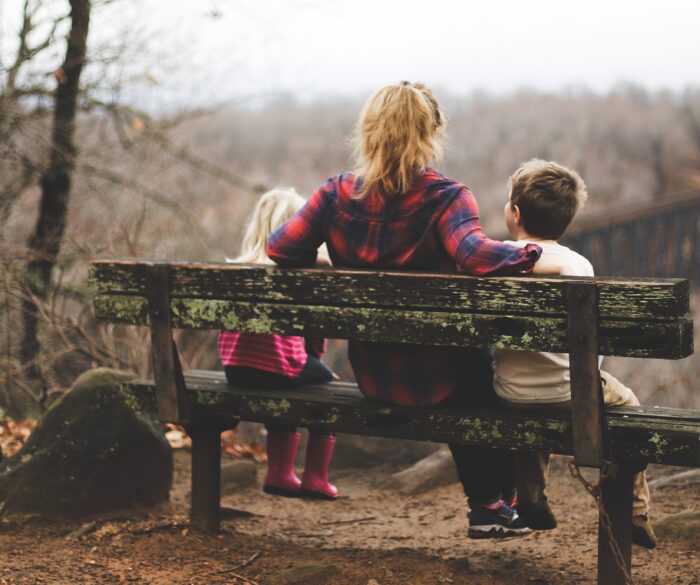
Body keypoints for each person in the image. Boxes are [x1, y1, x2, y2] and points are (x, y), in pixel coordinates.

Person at [268, 81, 543, 538]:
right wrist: (530, 253)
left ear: (368, 131)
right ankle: (493, 503)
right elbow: (474, 255)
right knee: (482, 371)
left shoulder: (334, 195)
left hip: (375, 376)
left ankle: (495, 504)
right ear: (432, 133)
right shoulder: (446, 197)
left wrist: (324, 260)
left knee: (470, 368)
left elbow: (280, 249)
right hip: (444, 379)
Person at [493, 159, 657, 548]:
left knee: (532, 399)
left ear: (514, 213)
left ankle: (530, 496)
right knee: (628, 404)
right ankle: (636, 509)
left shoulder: (495, 259)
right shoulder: (578, 265)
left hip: (510, 393)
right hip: (573, 392)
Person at [219, 188, 339, 500]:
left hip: (236, 370)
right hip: (278, 368)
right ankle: (315, 478)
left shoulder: (237, 270)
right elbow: (313, 334)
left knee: (286, 380)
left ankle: (280, 473)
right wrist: (319, 367)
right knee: (327, 388)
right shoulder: (296, 273)